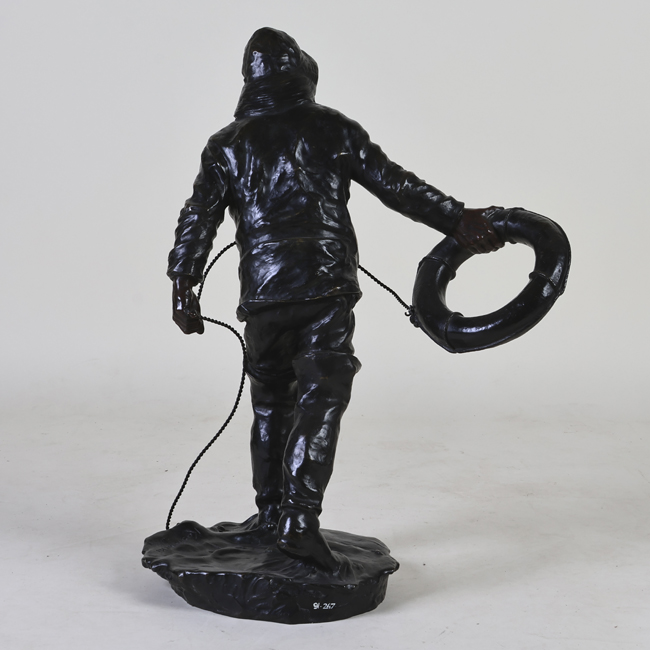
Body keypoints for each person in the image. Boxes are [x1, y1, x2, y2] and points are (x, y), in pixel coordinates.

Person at [168, 27, 502, 573]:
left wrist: (184, 282)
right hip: (324, 288)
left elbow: (198, 215)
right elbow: (395, 185)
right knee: (321, 397)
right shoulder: (331, 127)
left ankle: (271, 514)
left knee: (271, 402)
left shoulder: (226, 144)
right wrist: (457, 218)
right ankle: (297, 522)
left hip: (264, 294)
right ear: (298, 72)